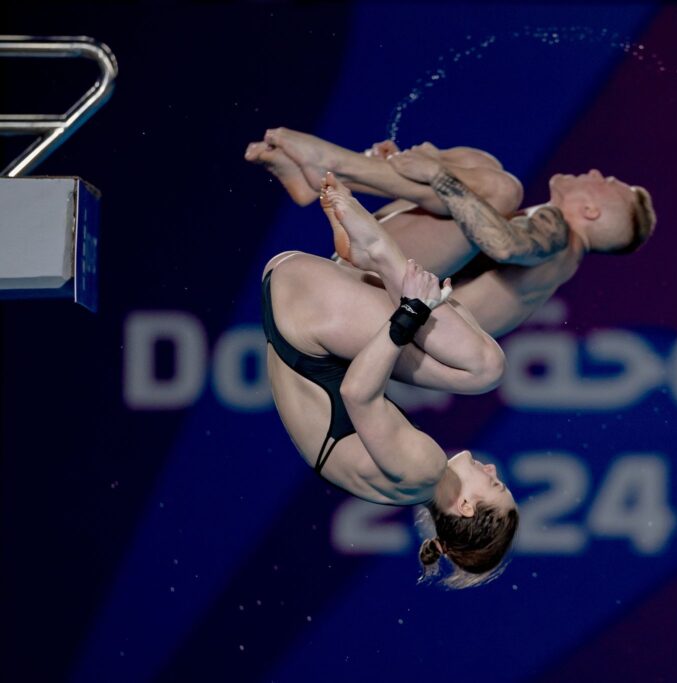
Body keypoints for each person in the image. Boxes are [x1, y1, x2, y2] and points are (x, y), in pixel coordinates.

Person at [262, 174, 516, 588]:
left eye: (496, 484)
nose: (491, 468)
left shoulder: (424, 471)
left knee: (485, 367)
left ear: (467, 506)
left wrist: (411, 311)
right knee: (472, 361)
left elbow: (357, 393)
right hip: (295, 309)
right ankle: (370, 259)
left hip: (303, 310)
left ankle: (378, 252)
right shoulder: (406, 487)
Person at [246, 128, 656, 337]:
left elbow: (500, 243)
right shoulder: (558, 253)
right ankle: (327, 176)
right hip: (380, 307)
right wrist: (429, 174)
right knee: (478, 167)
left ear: (591, 210)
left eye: (609, 182)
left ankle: (333, 167)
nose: (598, 172)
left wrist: (436, 175)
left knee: (498, 189)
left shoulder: (558, 235)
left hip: (373, 316)